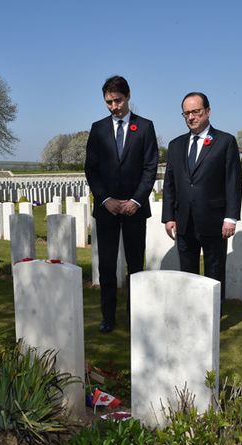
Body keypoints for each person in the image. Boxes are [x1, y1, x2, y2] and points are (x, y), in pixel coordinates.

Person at [85, 75, 159, 333]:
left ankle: (134, 317)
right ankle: (108, 317)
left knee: (135, 266)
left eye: (117, 100)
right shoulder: (98, 129)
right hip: (107, 209)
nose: (113, 107)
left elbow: (150, 168)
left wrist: (136, 200)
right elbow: (91, 170)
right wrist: (105, 199)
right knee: (106, 265)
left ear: (128, 96)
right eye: (108, 102)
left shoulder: (145, 127)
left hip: (134, 210)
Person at [161, 92, 242, 298]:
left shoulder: (225, 142)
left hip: (214, 220)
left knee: (214, 272)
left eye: (196, 112)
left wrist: (230, 217)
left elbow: (232, 182)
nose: (191, 117)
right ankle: (192, 314)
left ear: (208, 111)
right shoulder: (175, 145)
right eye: (186, 113)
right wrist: (169, 216)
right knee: (188, 274)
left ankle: (214, 317)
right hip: (184, 221)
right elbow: (170, 184)